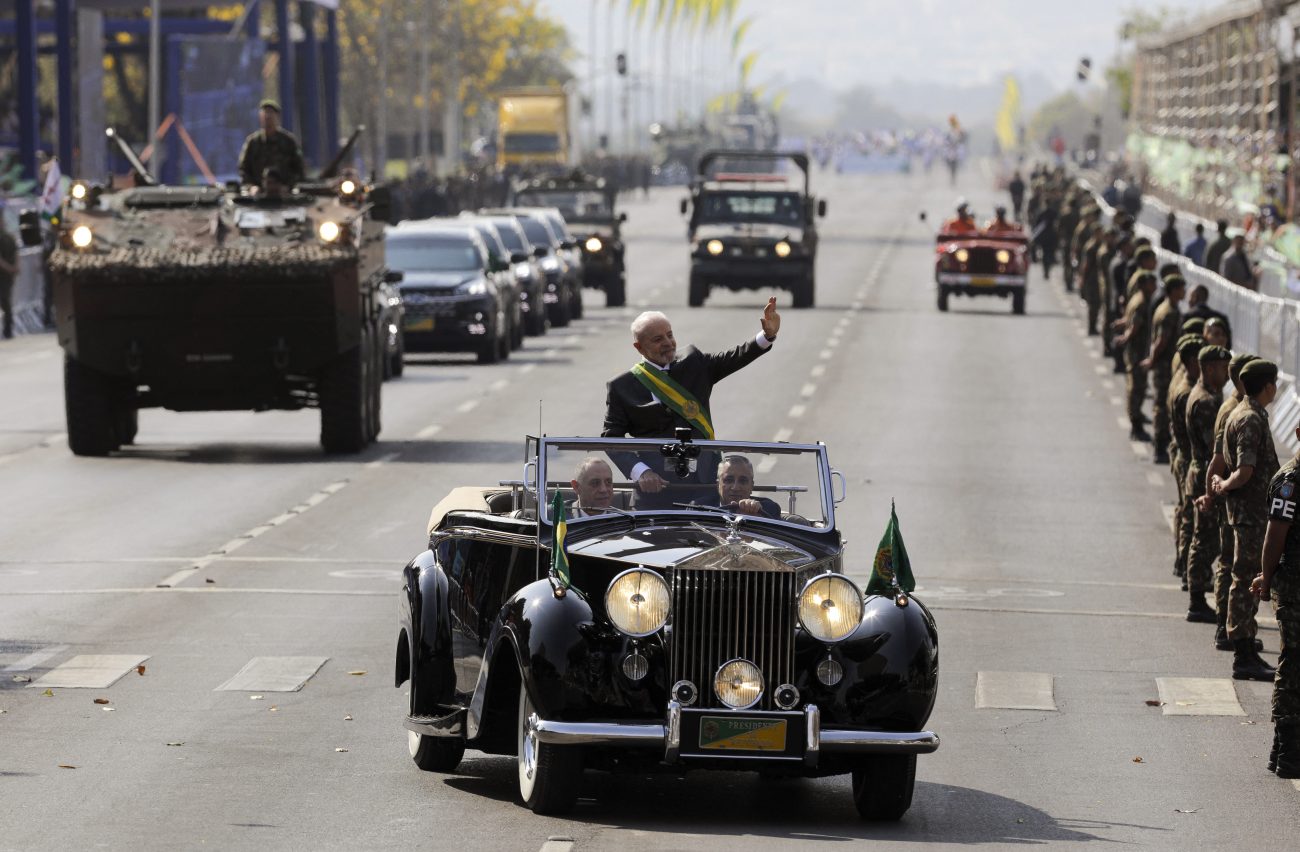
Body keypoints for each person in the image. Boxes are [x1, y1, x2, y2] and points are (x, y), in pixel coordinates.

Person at [602, 300, 780, 506]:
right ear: (639, 347)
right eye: (658, 339)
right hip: (655, 491)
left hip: (705, 487)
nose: (668, 343)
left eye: (670, 335)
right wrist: (641, 471)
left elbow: (732, 358)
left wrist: (766, 337)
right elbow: (610, 438)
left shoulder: (693, 362)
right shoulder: (621, 386)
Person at [1212, 358, 1281, 681]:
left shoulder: (1240, 412)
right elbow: (1244, 470)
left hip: (1247, 511)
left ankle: (1244, 645)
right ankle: (1243, 654)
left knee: (1241, 576)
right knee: (1245, 579)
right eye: (1274, 383)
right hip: (1252, 513)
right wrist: (1225, 485)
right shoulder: (1251, 418)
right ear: (1267, 386)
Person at [1198, 353, 1257, 650]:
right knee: (1231, 565)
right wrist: (1212, 493)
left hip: (1229, 497)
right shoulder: (1236, 411)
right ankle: (1226, 626)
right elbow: (1219, 459)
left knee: (1230, 565)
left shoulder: (1236, 407)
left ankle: (1226, 624)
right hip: (1233, 500)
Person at [1253, 425, 1300, 778]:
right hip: (1294, 587)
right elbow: (1275, 536)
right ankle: (1287, 748)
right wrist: (1266, 580)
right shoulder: (1290, 481)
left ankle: (1280, 747)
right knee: (1294, 662)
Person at [1187, 345, 1232, 621]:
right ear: (1210, 368)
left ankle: (1198, 596)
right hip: (1205, 474)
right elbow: (1212, 449)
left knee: (1205, 539)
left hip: (1204, 472)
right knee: (1205, 541)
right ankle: (1196, 601)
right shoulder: (1206, 402)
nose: (1227, 374)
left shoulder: (1211, 395)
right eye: (1223, 368)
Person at [1169, 334, 1204, 588]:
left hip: (1185, 457)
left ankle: (1182, 563)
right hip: (1188, 459)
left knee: (1186, 513)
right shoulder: (1188, 391)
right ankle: (1185, 567)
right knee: (1190, 520)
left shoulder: (1185, 383)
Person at [1144, 275, 1186, 463]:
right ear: (1174, 290)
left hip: (1165, 365)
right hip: (1164, 366)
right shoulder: (1169, 312)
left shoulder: (1168, 308)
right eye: (1181, 288)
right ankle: (1159, 446)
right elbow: (1161, 341)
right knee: (1162, 406)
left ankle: (1160, 443)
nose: (1184, 291)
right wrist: (1152, 360)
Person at [1114, 271, 1157, 441]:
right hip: (1137, 351)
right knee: (1137, 388)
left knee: (1137, 386)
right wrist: (1126, 337)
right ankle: (1135, 425)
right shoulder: (1141, 303)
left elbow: (1129, 320)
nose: (1154, 287)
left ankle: (1136, 418)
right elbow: (1135, 325)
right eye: (1151, 283)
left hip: (1136, 351)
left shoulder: (1137, 299)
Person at [237, 99, 306, 189]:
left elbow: (299, 170)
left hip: (284, 193)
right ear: (260, 117)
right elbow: (243, 169)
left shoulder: (288, 141)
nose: (268, 117)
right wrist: (251, 187)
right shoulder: (253, 142)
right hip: (258, 194)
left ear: (277, 116)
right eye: (264, 113)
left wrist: (288, 187)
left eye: (271, 113)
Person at [714, 455, 781, 519]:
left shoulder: (768, 509)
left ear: (751, 486)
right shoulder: (705, 507)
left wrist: (757, 519)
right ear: (718, 485)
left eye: (742, 481)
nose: (735, 488)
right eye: (729, 480)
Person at [0, 213, 18, 339]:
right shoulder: (8, 237)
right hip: (5, 273)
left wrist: (13, 268)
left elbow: (16, 253)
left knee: (6, 301)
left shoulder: (8, 238)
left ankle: (8, 329)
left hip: (5, 276)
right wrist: (11, 268)